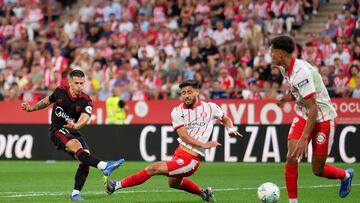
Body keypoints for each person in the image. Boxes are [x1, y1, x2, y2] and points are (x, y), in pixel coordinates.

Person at [104, 79, 242, 202]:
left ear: (197, 92)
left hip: (191, 160)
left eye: (189, 92)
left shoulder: (211, 107)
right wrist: (204, 144)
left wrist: (230, 129)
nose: (186, 96)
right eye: (183, 93)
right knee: (173, 183)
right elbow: (184, 136)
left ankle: (115, 185)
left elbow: (225, 119)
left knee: (153, 168)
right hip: (180, 153)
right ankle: (204, 193)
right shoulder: (177, 111)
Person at [270, 36, 354, 203]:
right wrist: (287, 98)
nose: (270, 55)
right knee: (292, 156)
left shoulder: (301, 74)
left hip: (323, 118)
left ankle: (345, 176)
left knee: (317, 169)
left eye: (272, 51)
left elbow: (314, 108)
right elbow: (298, 93)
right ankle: (293, 202)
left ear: (280, 54)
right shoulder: (284, 68)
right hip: (303, 114)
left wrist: (304, 138)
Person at [21, 69, 125, 201]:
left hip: (74, 130)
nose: (80, 86)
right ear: (70, 82)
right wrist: (31, 108)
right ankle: (105, 166)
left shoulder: (86, 100)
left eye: (82, 83)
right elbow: (46, 101)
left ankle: (75, 194)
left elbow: (85, 118)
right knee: (76, 146)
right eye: (77, 83)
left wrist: (76, 125)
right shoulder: (60, 91)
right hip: (57, 130)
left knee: (85, 159)